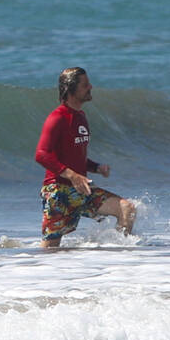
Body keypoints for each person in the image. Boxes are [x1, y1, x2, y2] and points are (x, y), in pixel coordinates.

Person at [35, 67, 136, 247]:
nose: (91, 87)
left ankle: (119, 262)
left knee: (127, 209)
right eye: (85, 85)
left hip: (82, 189)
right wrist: (72, 176)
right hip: (58, 192)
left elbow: (74, 156)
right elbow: (42, 155)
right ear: (71, 89)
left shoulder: (81, 116)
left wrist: (96, 167)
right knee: (50, 250)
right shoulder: (57, 118)